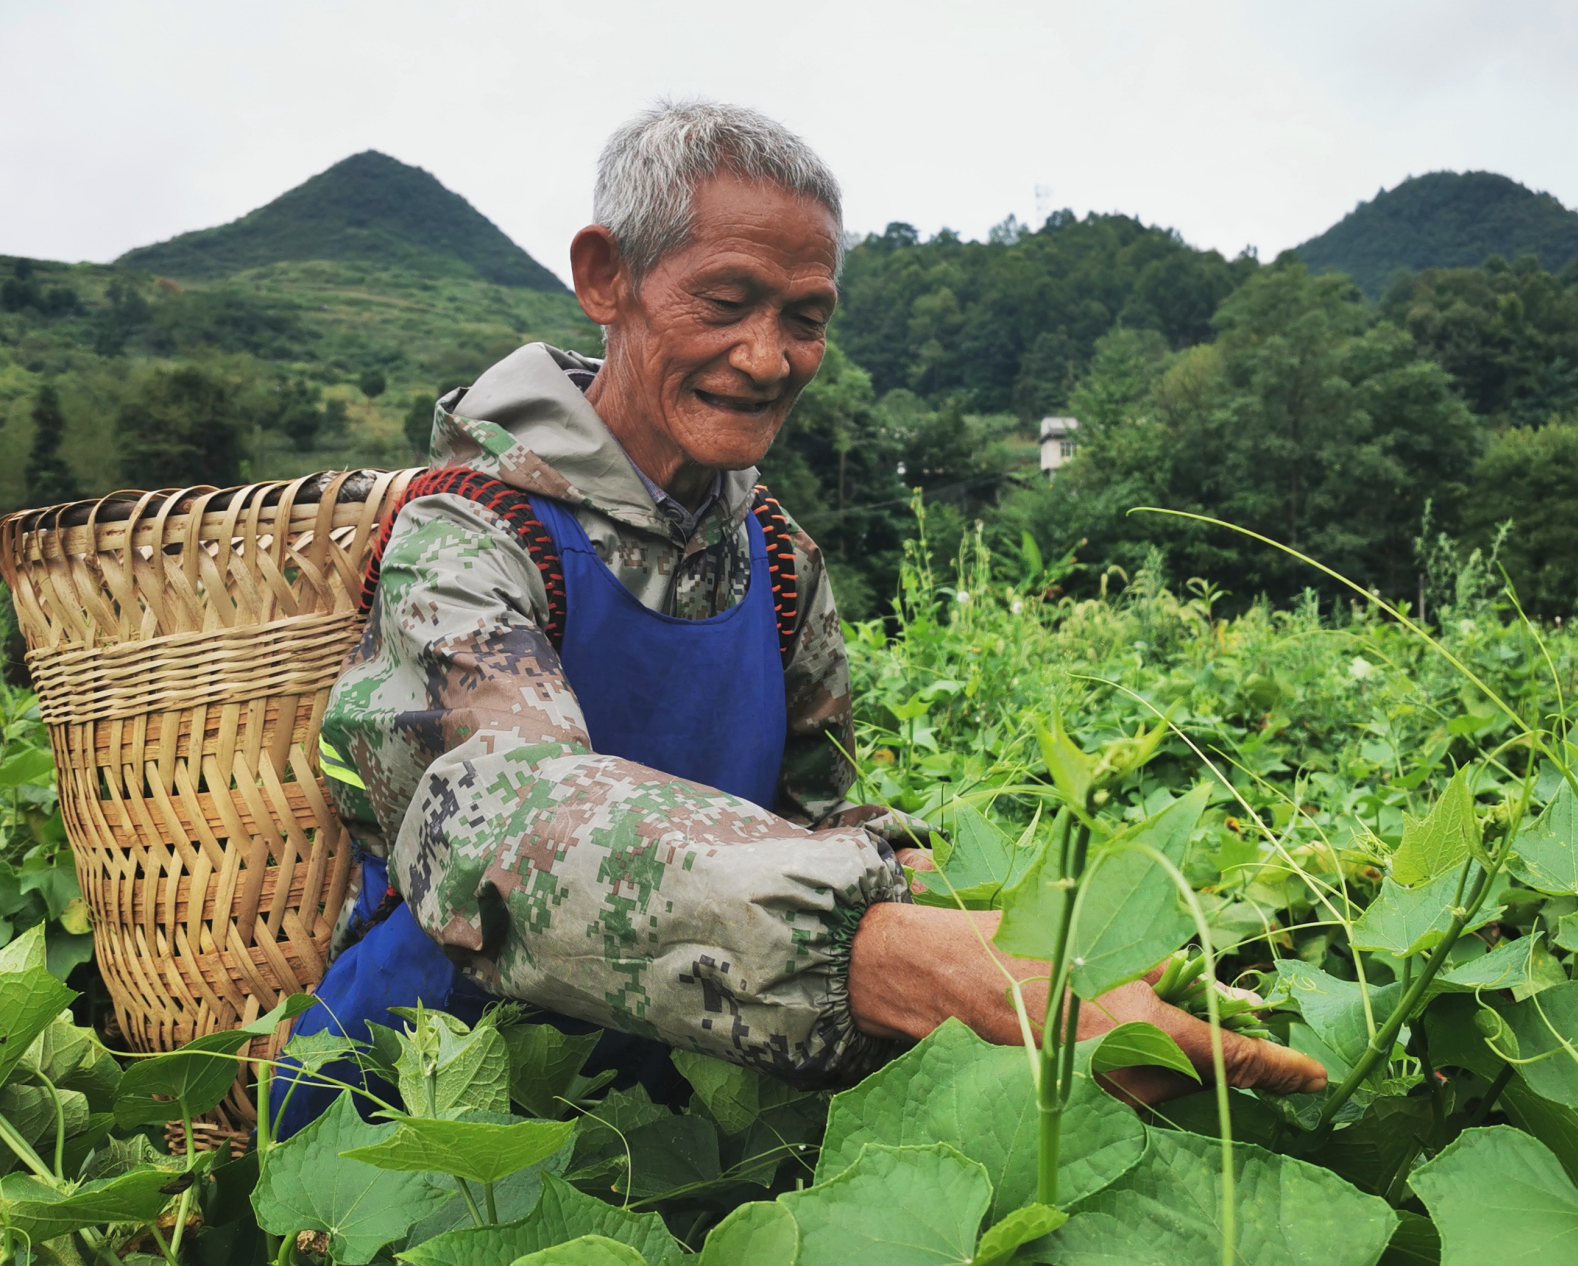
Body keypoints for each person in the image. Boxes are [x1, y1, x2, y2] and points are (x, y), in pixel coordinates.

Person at [276, 101, 1322, 1131]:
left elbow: (820, 822)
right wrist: (885, 957)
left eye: (805, 319)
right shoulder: (469, 533)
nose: (769, 358)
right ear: (607, 277)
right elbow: (495, 822)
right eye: (724, 301)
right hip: (428, 1095)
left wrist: (1031, 922)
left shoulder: (776, 561)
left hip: (691, 1091)